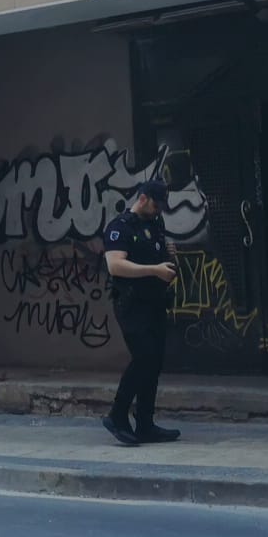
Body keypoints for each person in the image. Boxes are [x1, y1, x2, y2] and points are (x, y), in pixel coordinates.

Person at [100, 180, 180, 446]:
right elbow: (116, 266)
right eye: (156, 205)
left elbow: (157, 257)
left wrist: (168, 258)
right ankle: (117, 414)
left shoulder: (156, 225)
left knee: (154, 362)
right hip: (131, 304)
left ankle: (145, 423)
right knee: (144, 357)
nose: (159, 211)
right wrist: (154, 270)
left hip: (155, 302)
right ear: (143, 199)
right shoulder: (120, 227)